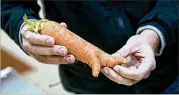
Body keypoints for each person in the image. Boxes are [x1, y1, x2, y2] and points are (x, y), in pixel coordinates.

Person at [1, 0, 178, 94]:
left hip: (170, 72)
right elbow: (10, 5)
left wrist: (154, 33)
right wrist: (24, 27)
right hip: (90, 84)